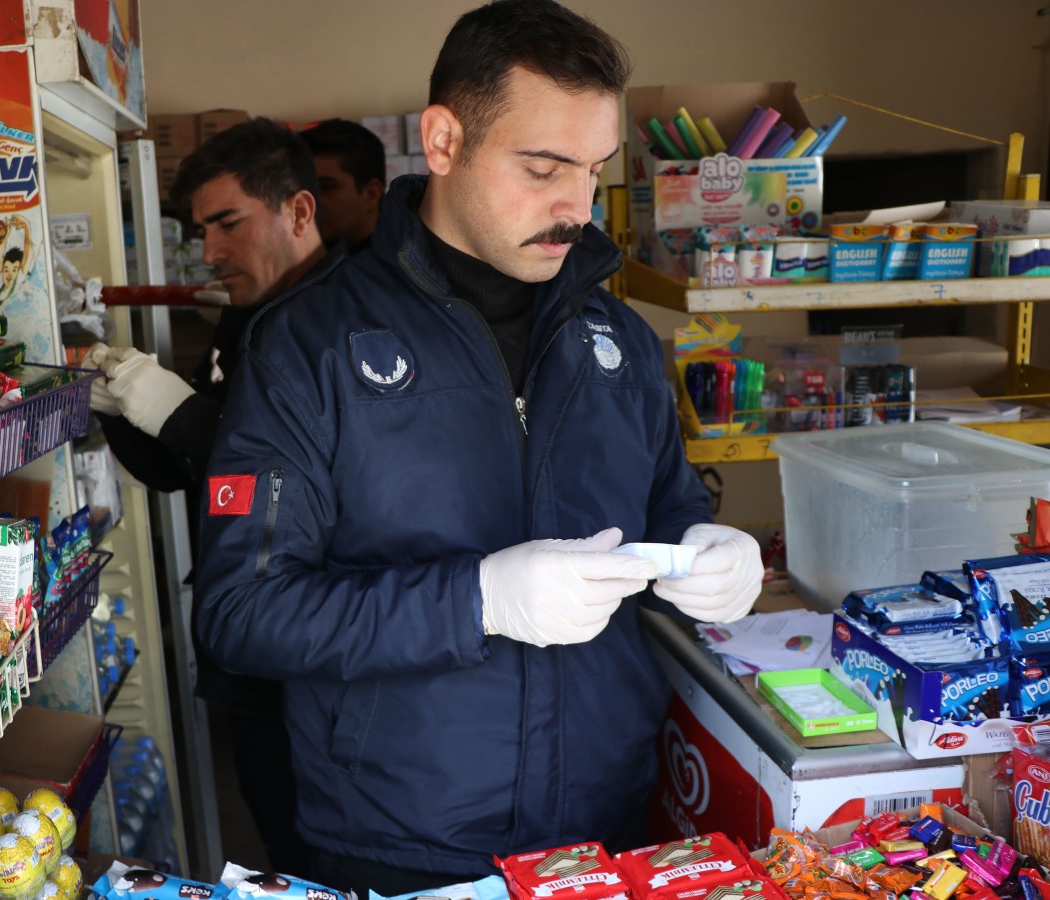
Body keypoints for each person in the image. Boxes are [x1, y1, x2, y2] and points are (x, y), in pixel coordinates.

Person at [192, 2, 763, 895]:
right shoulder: (308, 345)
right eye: (542, 167)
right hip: (403, 844)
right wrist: (477, 601)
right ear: (445, 140)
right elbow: (243, 613)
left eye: (594, 169)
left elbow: (669, 504)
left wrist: (708, 553)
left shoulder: (616, 339)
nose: (577, 205)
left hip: (610, 822)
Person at [88, 116, 338, 877]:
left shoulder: (340, 325)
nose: (211, 252)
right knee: (277, 842)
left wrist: (178, 412)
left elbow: (302, 486)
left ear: (298, 212)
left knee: (317, 852)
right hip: (251, 644)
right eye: (201, 231)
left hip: (316, 659)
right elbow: (185, 469)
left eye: (228, 224)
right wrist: (119, 407)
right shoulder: (253, 315)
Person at [299, 119, 386, 253]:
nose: (309, 202)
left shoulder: (398, 266)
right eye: (304, 188)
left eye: (325, 187)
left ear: (371, 195)